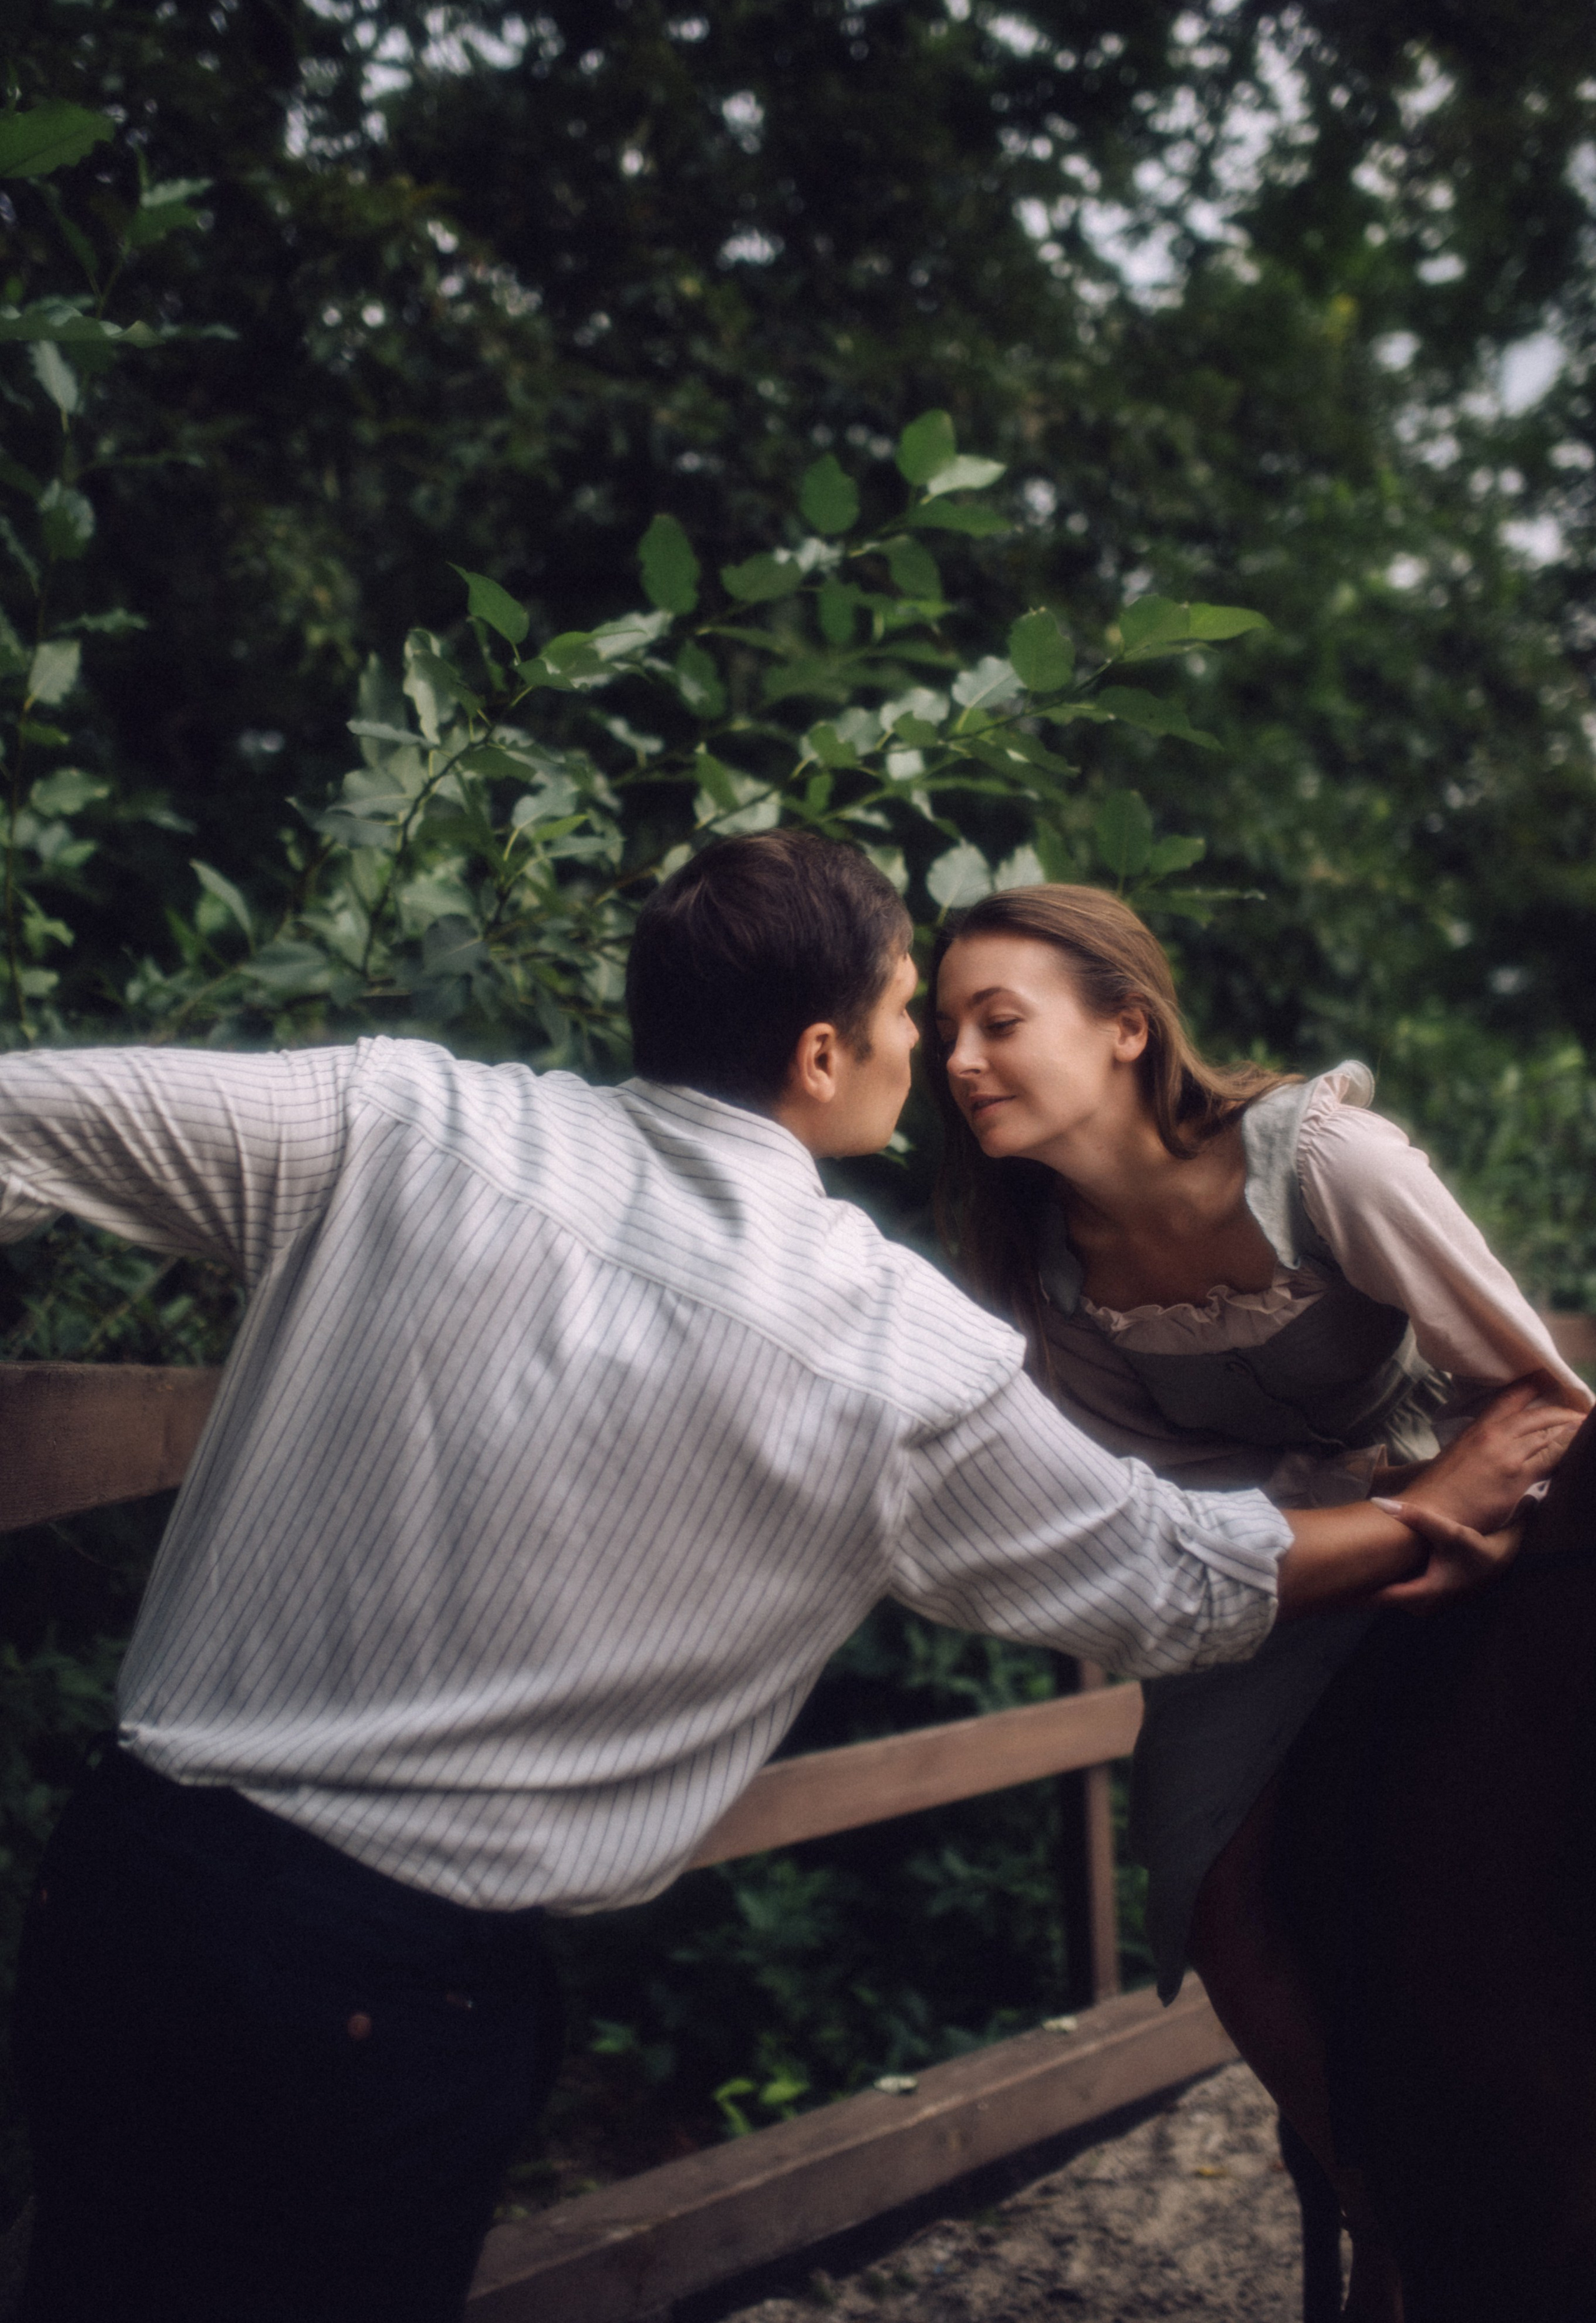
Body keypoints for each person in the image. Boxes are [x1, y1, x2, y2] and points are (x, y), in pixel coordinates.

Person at [2, 833, 1544, 2323]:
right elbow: (1163, 1571)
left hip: (125, 1881)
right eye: (904, 1015)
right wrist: (1426, 1518)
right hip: (385, 1992)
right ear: (820, 1056)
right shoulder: (888, 1348)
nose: (931, 1058)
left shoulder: (392, 1117)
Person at [928, 879, 1588, 2322]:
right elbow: (1155, 1514)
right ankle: (1388, 2202)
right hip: (1270, 1575)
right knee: (1211, 1883)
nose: (957, 1060)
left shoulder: (1323, 1160)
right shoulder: (1044, 1270)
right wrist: (1357, 1540)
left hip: (1467, 1491)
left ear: (1123, 1026)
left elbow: (1536, 1385)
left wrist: (1445, 1520)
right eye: (941, 1033)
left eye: (994, 1021)